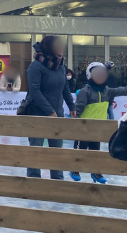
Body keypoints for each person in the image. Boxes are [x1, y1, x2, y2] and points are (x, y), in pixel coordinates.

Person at [70, 62, 127, 183]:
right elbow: (78, 110)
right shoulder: (85, 92)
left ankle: (96, 172)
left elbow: (121, 90)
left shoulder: (107, 91)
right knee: (81, 150)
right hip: (84, 128)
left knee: (95, 151)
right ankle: (75, 169)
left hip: (98, 128)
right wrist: (76, 126)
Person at [25, 35, 76, 180]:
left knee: (57, 151)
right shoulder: (35, 66)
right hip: (37, 114)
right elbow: (35, 91)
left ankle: (58, 179)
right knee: (36, 149)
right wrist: (49, 110)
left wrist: (71, 105)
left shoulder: (61, 67)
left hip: (57, 115)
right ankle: (34, 180)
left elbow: (65, 89)